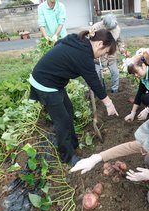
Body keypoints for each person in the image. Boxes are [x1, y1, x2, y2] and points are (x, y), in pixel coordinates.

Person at [29, 29, 119, 166]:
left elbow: (59, 43)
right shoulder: (84, 55)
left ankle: (73, 144)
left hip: (55, 83)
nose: (102, 56)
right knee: (62, 122)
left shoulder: (78, 40)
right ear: (99, 44)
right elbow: (94, 82)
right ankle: (68, 157)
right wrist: (108, 103)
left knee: (69, 111)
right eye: (105, 52)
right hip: (45, 83)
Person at [91, 13, 130, 93]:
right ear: (104, 24)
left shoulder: (116, 28)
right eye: (109, 28)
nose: (111, 30)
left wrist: (122, 49)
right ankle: (99, 91)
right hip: (98, 58)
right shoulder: (95, 28)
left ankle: (114, 90)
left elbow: (119, 41)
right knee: (97, 76)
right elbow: (90, 43)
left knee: (115, 73)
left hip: (111, 56)